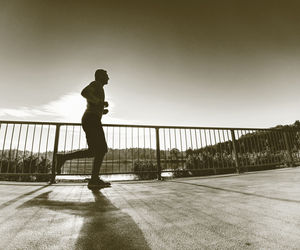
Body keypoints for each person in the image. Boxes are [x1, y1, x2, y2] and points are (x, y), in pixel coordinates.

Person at [56, 69, 110, 189]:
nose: (108, 78)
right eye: (106, 75)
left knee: (95, 151)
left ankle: (63, 157)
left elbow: (93, 104)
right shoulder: (95, 84)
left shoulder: (99, 87)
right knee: (101, 150)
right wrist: (99, 102)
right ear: (100, 76)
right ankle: (94, 180)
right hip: (91, 120)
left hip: (91, 119)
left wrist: (101, 109)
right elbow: (84, 92)